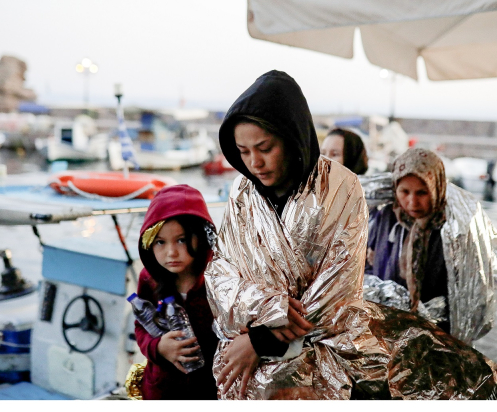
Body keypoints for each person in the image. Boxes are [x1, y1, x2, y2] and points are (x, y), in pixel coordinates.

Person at [204, 70, 497, 400]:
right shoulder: (241, 190)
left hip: (315, 357)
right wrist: (269, 312)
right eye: (243, 152)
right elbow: (222, 273)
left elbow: (338, 289)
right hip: (242, 351)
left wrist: (264, 339)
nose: (255, 162)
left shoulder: (341, 188)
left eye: (265, 148)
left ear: (291, 136)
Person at [366, 147, 496, 344]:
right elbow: (370, 261)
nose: (412, 201)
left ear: (437, 189)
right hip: (387, 330)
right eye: (404, 191)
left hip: (437, 336)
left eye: (422, 192)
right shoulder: (387, 218)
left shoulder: (453, 230)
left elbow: (470, 292)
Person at [133, 184, 219, 400]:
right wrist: (159, 348)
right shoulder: (148, 279)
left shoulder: (219, 279)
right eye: (160, 242)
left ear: (201, 236)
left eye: (181, 240)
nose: (171, 253)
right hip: (162, 390)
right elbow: (141, 327)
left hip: (210, 388)